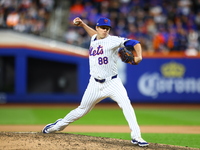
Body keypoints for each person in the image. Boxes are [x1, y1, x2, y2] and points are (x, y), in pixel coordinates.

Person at [42, 17, 149, 147]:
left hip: (113, 83)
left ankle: (136, 136)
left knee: (126, 105)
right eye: (103, 28)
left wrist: (139, 56)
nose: (105, 30)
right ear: (97, 28)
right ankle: (57, 126)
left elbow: (135, 43)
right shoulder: (94, 38)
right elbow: (94, 35)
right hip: (94, 84)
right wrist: (82, 25)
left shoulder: (113, 40)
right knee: (81, 110)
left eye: (107, 28)